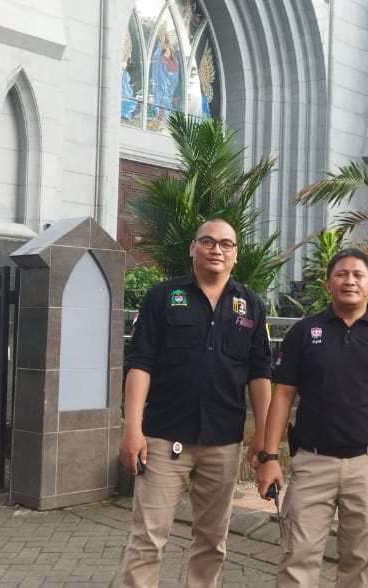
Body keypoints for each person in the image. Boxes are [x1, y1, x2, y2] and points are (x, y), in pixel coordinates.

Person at [117, 219, 273, 588]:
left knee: (212, 541)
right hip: (162, 436)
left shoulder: (250, 305)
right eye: (208, 241)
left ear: (235, 254)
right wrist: (132, 428)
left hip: (222, 440)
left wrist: (265, 439)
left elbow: (260, 375)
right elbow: (140, 363)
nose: (216, 249)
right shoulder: (162, 296)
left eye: (226, 244)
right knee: (148, 539)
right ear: (192, 248)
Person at [256, 248, 368, 587]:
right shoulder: (303, 332)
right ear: (328, 284)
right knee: (297, 556)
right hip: (312, 463)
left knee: (361, 560)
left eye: (358, 275)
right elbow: (283, 395)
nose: (350, 281)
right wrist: (269, 457)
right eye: (341, 274)